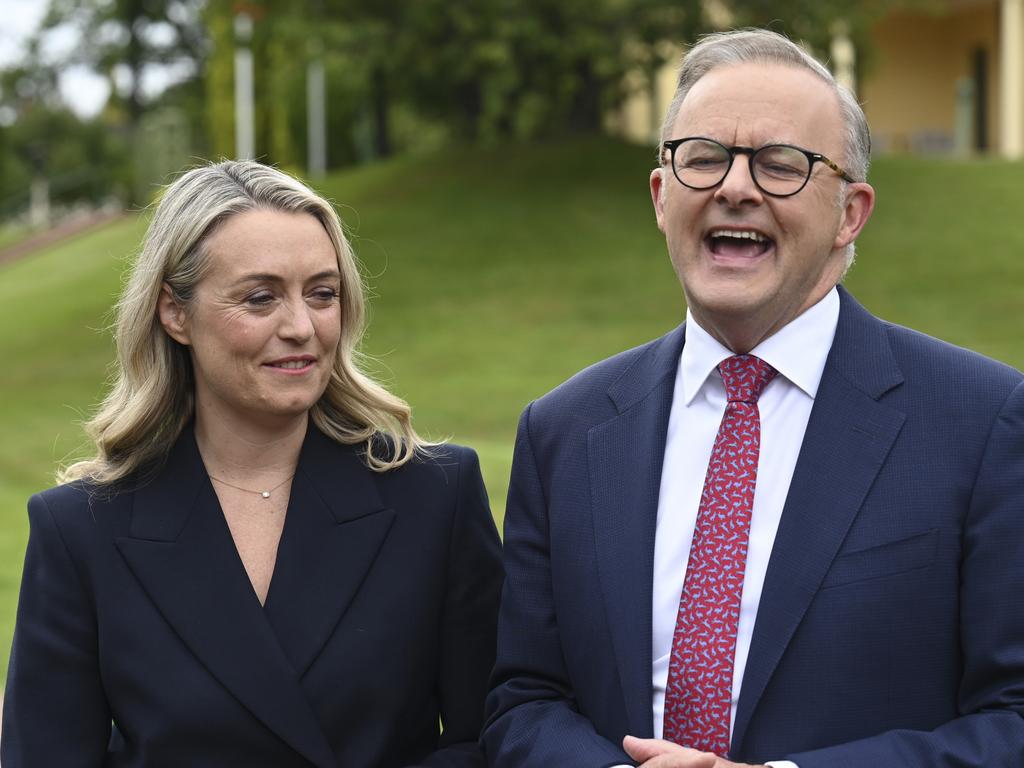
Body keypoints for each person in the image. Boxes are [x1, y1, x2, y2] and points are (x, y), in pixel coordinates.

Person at [483, 29, 1024, 768]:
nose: (734, 187)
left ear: (851, 213)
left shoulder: (982, 422)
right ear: (661, 194)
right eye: (703, 157)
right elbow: (523, 700)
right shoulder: (563, 432)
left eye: (781, 164)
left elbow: (1013, 719)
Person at [2, 160, 503, 767]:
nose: (300, 326)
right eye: (260, 297)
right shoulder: (81, 530)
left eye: (322, 293)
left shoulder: (434, 496)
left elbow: (496, 737)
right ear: (174, 312)